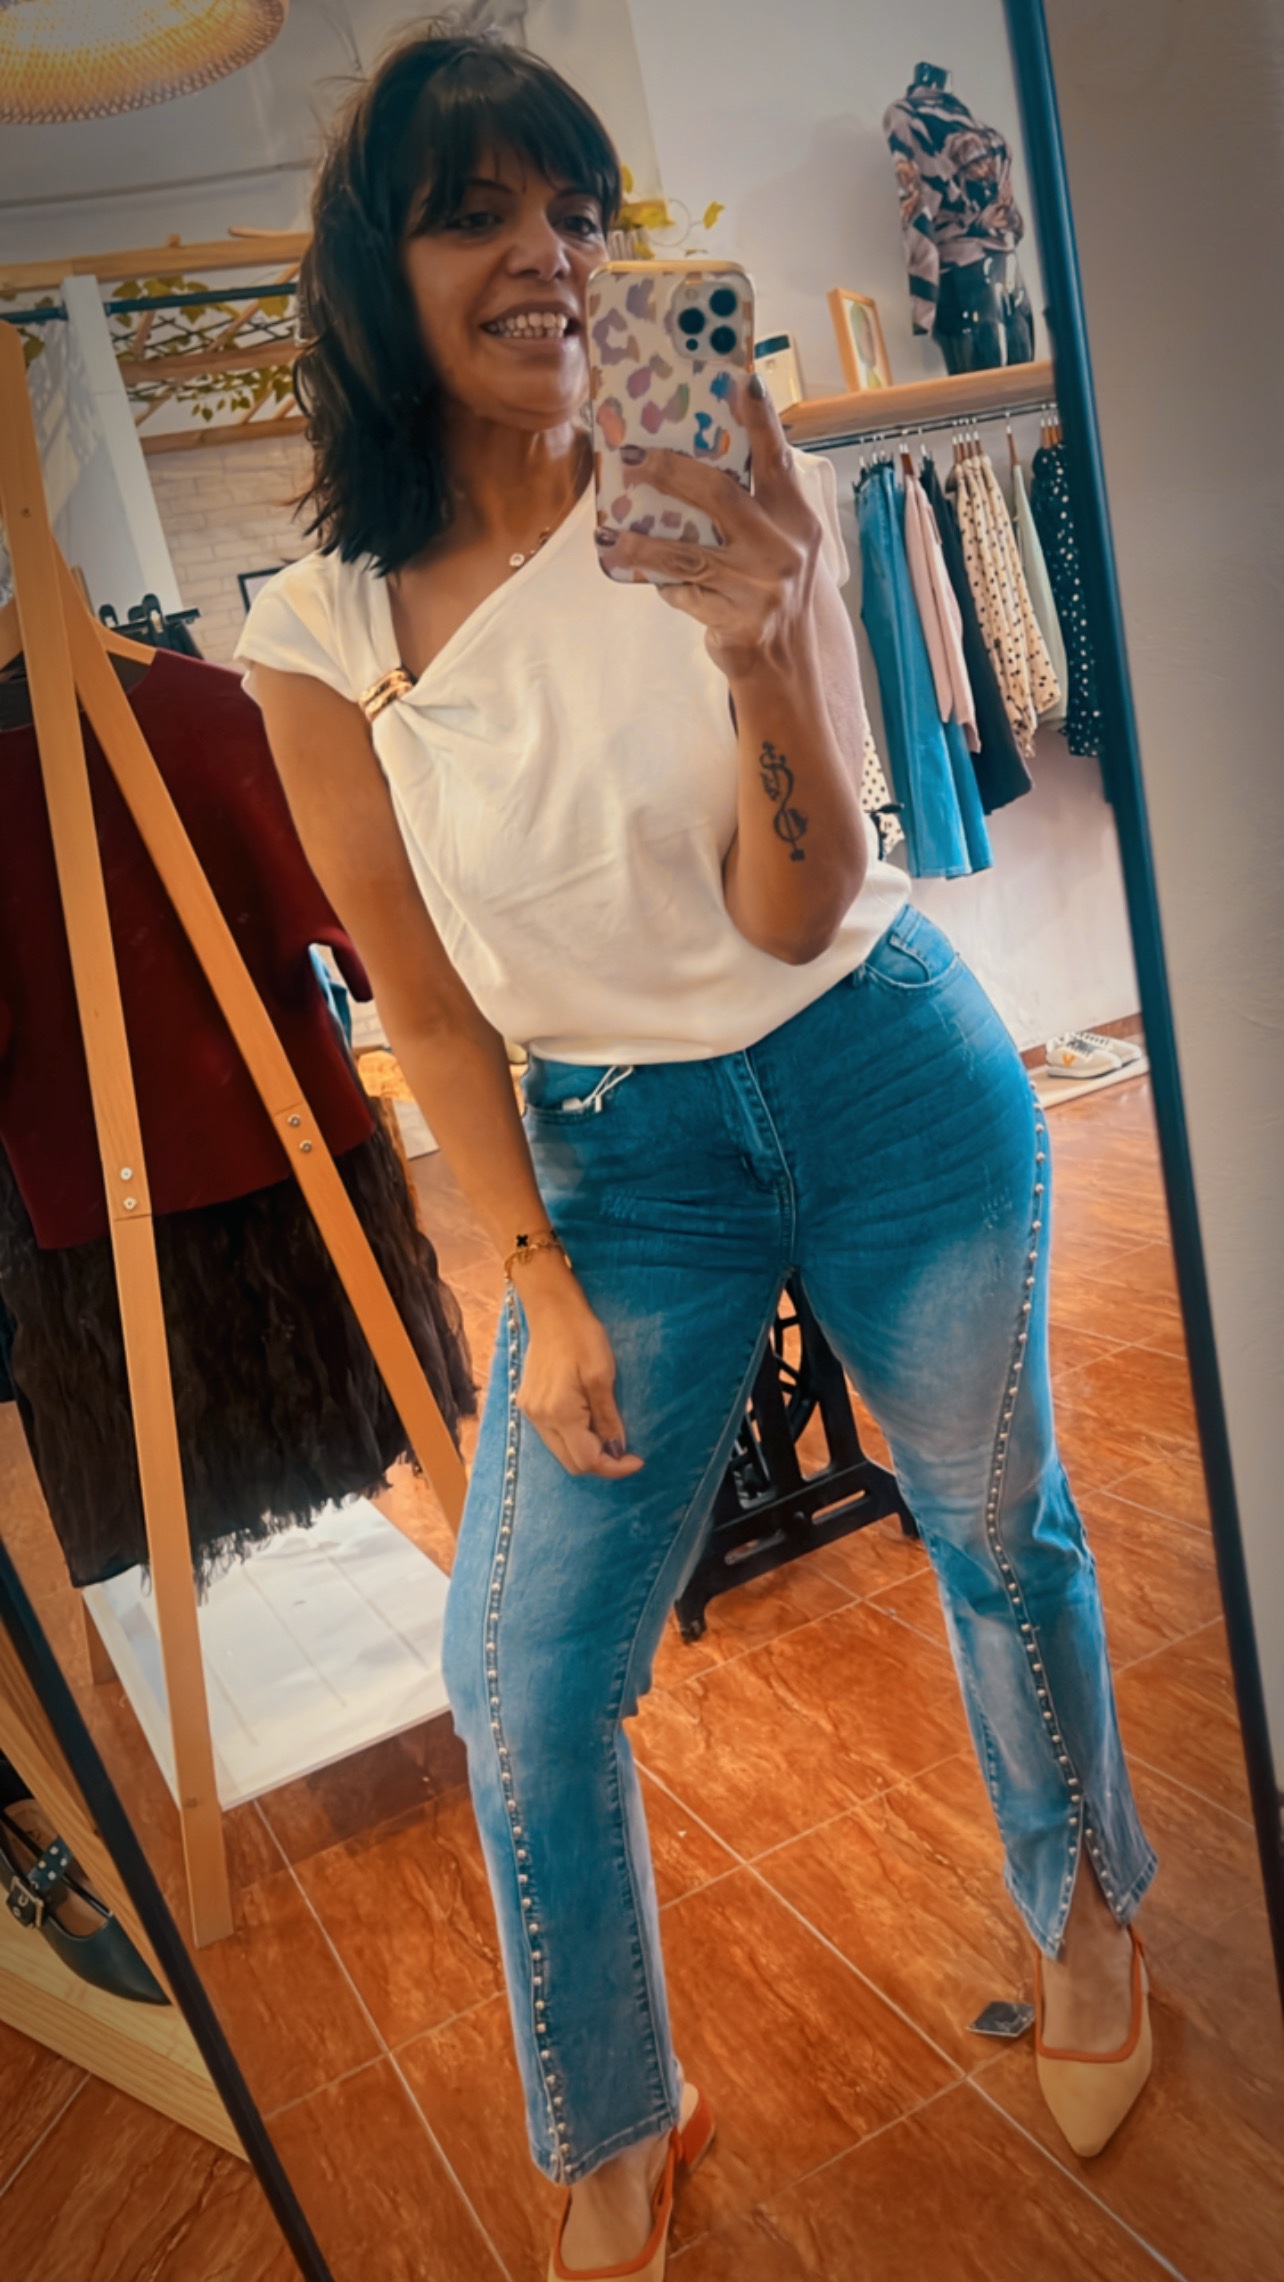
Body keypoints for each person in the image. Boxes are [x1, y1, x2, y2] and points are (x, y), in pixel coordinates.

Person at [237, 33, 1157, 2280]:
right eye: (477, 213)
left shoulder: (719, 450)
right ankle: (611, 2124)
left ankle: (1087, 1914)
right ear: (376, 270)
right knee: (528, 1671)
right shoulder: (320, 628)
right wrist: (530, 1275)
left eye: (579, 212)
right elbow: (421, 994)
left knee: (995, 1524)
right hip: (617, 1166)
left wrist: (766, 646)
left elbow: (795, 901)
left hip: (877, 1063)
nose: (549, 259)